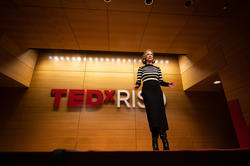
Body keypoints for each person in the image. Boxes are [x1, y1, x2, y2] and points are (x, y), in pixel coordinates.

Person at [134, 49, 176, 150]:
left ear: (153, 57)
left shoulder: (157, 68)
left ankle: (164, 138)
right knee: (152, 114)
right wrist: (137, 85)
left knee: (160, 113)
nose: (150, 56)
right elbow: (139, 80)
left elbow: (160, 81)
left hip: (157, 90)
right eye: (148, 54)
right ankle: (155, 140)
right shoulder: (141, 69)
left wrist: (168, 84)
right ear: (145, 57)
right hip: (147, 90)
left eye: (151, 54)